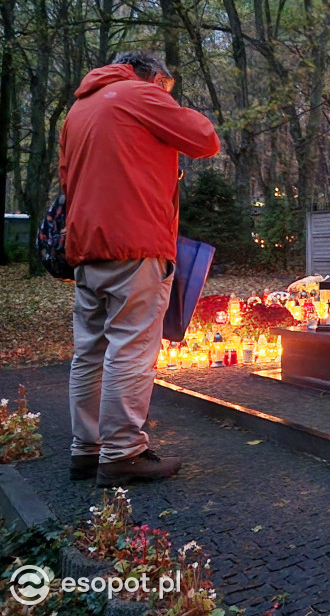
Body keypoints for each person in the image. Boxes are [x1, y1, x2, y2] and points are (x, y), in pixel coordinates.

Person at [59, 51, 220, 486]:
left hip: (86, 244)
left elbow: (66, 177)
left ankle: (86, 450)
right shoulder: (138, 94)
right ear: (154, 77)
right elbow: (205, 138)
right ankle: (122, 454)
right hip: (134, 242)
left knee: (90, 350)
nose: (165, 95)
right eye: (166, 87)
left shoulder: (79, 109)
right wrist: (163, 101)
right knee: (131, 348)